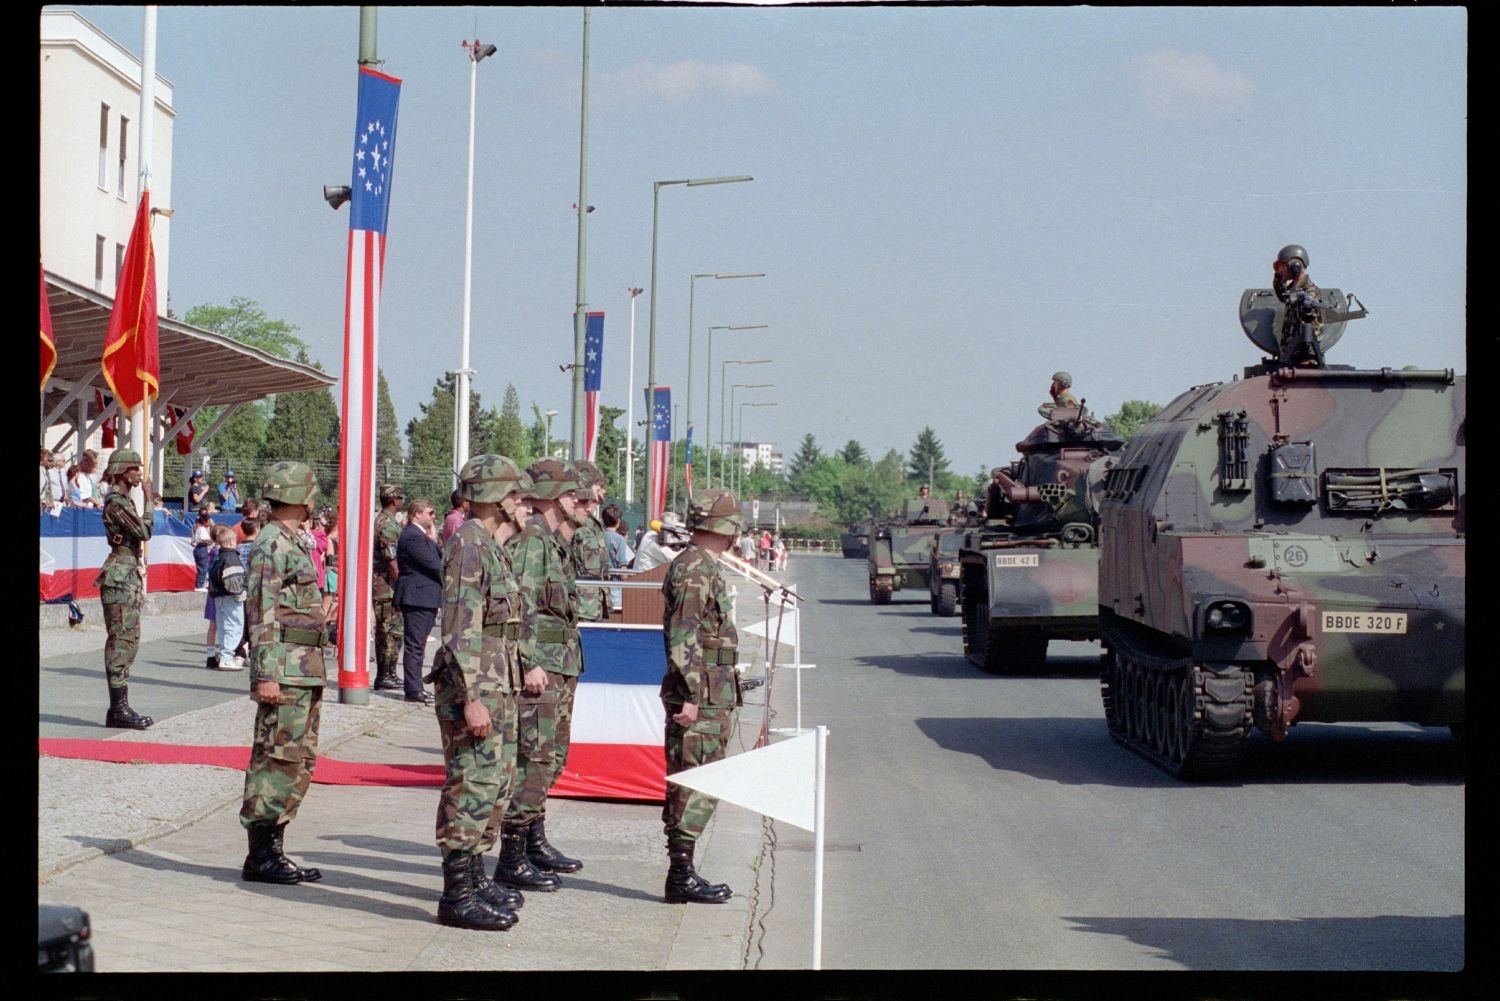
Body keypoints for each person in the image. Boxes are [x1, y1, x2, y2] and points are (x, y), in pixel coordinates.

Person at [427, 454, 535, 931]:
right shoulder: (469, 544)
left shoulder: (490, 545)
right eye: (513, 493)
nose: (520, 501)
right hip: (475, 687)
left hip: (497, 684)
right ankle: (455, 896)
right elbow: (460, 627)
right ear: (492, 497)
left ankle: (473, 878)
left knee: (494, 784)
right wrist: (472, 697)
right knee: (470, 785)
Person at [496, 459, 586, 891]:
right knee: (533, 758)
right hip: (541, 666)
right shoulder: (533, 542)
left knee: (549, 757)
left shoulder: (551, 542)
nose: (579, 501)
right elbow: (523, 606)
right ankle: (512, 856)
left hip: (558, 662)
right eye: (571, 494)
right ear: (549, 496)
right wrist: (529, 660)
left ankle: (532, 839)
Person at [238, 461, 327, 885]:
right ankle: (261, 854)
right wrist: (265, 674)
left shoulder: (293, 540)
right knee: (275, 757)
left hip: (304, 668)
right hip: (286, 671)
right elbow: (262, 612)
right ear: (300, 497)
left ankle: (275, 848)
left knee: (298, 759)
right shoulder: (272, 543)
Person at [659, 488, 743, 904]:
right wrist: (692, 693)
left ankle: (683, 871)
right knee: (695, 780)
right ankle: (681, 875)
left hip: (712, 688)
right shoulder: (694, 569)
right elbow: (684, 634)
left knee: (701, 778)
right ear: (725, 529)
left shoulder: (702, 565)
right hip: (700, 693)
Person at [95, 449, 154, 729]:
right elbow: (144, 532)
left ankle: (120, 707)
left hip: (127, 573)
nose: (139, 474)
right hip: (120, 574)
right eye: (135, 469)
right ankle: (118, 710)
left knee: (130, 640)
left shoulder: (124, 500)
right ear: (121, 471)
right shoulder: (116, 503)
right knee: (121, 641)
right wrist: (151, 499)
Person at [394, 498, 442, 705]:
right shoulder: (412, 536)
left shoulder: (421, 536)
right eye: (430, 513)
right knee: (415, 645)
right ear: (417, 514)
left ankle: (415, 688)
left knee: (418, 644)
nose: (434, 517)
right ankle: (413, 690)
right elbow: (435, 565)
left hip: (425, 597)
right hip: (417, 597)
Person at [372, 484, 406, 691]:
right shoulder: (387, 525)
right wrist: (401, 585)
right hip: (387, 587)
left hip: (386, 585)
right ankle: (386, 674)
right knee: (390, 632)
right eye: (401, 498)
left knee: (390, 632)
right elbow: (391, 559)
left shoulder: (385, 521)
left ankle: (388, 673)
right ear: (395, 501)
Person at [568, 460, 610, 623]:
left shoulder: (591, 522)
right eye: (598, 484)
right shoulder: (574, 523)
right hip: (580, 608)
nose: (602, 490)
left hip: (593, 606)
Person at [1272, 243, 1324, 365]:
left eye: (1283, 267)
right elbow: (1282, 295)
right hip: (1293, 353)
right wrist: (1279, 276)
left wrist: (1308, 355)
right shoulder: (1294, 288)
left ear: (1294, 266)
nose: (1281, 271)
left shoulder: (1309, 291)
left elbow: (1312, 325)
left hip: (1303, 356)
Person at [207, 525, 248, 671]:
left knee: (223, 627)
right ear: (231, 543)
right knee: (235, 626)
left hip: (218, 596)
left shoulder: (218, 556)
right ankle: (227, 657)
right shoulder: (232, 557)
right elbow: (234, 580)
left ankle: (224, 655)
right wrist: (240, 593)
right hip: (232, 597)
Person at [192, 509, 215, 589]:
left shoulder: (198, 529)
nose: (210, 522)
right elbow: (202, 539)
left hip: (199, 549)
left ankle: (200, 584)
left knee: (201, 568)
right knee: (203, 568)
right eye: (209, 521)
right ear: (205, 521)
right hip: (202, 549)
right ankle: (200, 585)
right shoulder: (202, 529)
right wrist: (210, 541)